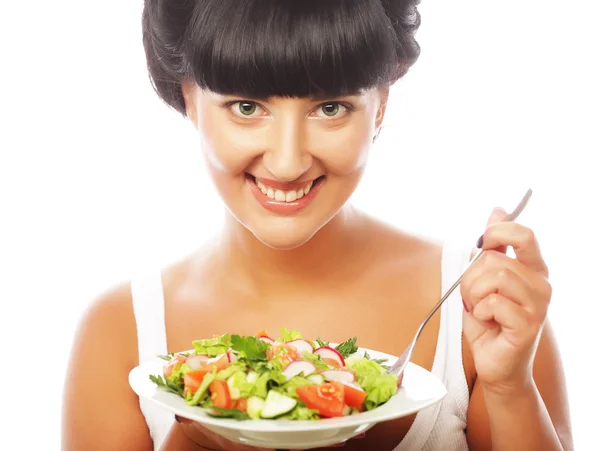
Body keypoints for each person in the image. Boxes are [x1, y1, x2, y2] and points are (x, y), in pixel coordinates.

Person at [61, 0, 573, 450]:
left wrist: (509, 386)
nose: (287, 162)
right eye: (247, 107)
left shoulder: (478, 306)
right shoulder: (119, 332)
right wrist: (195, 437)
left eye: (331, 107)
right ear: (190, 98)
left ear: (382, 104)